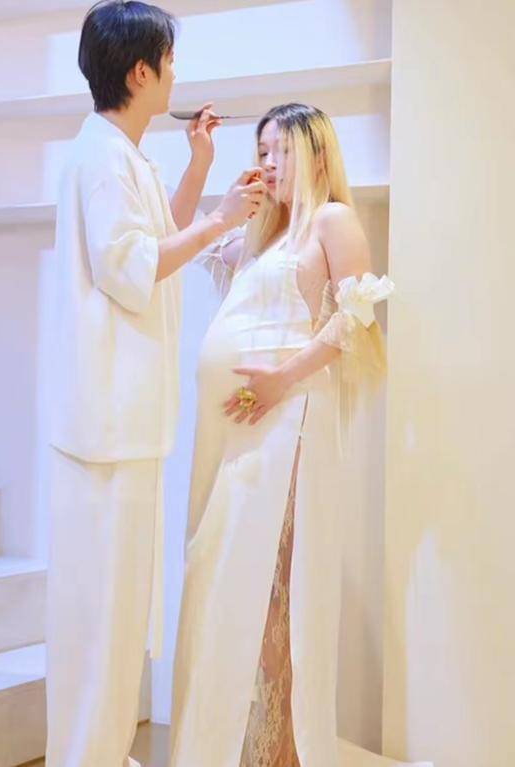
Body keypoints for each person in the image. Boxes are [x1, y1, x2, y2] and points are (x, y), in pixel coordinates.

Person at [170, 103, 430, 767]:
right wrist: (202, 166)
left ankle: (280, 749)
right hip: (236, 430)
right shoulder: (262, 233)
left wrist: (282, 379)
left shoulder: (331, 220)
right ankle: (231, 742)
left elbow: (356, 318)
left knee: (275, 582)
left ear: (316, 154)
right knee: (222, 578)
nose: (269, 163)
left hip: (289, 420)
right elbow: (177, 241)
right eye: (262, 151)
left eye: (281, 150)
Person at [45, 2, 265, 766]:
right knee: (102, 618)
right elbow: (134, 268)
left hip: (124, 424)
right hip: (105, 429)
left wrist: (200, 168)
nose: (176, 74)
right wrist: (221, 219)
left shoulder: (124, 156)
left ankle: (103, 752)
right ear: (141, 72)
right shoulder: (103, 158)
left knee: (120, 615)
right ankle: (89, 755)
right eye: (170, 62)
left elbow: (154, 242)